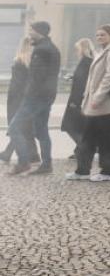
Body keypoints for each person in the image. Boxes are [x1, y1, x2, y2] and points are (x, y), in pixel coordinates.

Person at [66, 25, 110, 182]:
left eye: (103, 35)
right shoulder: (102, 52)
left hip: (105, 105)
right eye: (97, 35)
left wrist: (97, 98)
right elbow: (92, 80)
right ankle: (82, 170)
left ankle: (108, 172)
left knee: (105, 140)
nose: (99, 37)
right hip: (96, 104)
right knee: (88, 138)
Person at [9, 21, 60, 176]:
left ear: (39, 32)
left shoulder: (41, 50)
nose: (29, 33)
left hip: (35, 98)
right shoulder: (52, 48)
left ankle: (23, 163)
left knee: (14, 127)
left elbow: (36, 77)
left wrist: (27, 96)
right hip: (48, 96)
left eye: (31, 30)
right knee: (41, 130)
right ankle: (46, 164)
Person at [1, 36, 34, 166]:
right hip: (28, 98)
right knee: (23, 127)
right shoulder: (34, 61)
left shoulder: (19, 61)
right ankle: (8, 153)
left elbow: (16, 85)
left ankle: (9, 154)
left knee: (17, 127)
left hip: (17, 99)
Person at [60, 38, 96, 157]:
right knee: (80, 126)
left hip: (78, 99)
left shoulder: (85, 62)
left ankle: (84, 148)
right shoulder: (90, 61)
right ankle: (80, 150)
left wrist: (75, 101)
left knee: (70, 126)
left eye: (77, 49)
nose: (76, 52)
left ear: (82, 49)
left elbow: (81, 83)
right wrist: (73, 77)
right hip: (82, 98)